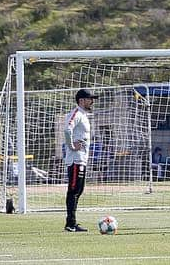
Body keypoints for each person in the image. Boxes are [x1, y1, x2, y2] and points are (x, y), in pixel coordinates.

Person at [63, 88, 97, 232]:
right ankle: (70, 224)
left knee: (78, 190)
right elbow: (67, 130)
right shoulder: (76, 113)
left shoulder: (84, 115)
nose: (92, 101)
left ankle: (72, 222)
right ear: (81, 100)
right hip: (75, 160)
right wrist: (71, 145)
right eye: (90, 98)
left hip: (81, 159)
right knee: (74, 190)